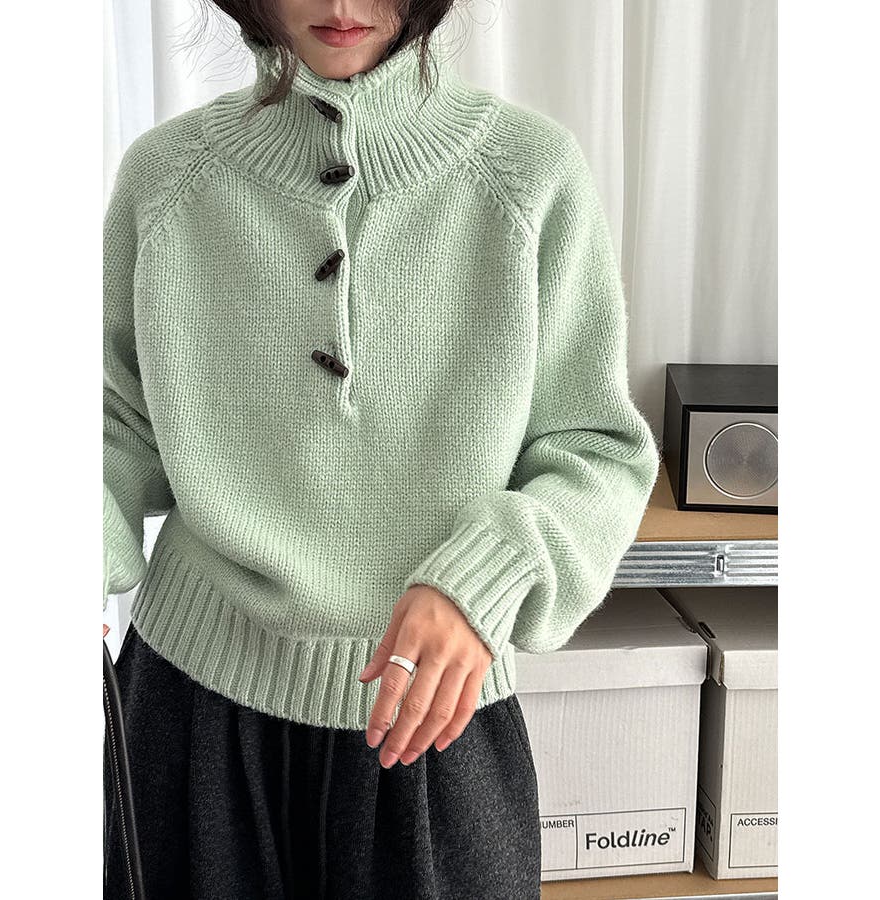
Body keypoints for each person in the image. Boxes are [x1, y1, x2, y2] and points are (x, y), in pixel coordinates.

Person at [102, 1, 661, 898]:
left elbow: (596, 448)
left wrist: (483, 581)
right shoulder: (166, 179)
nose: (341, 4)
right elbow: (113, 426)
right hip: (190, 710)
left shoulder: (529, 174)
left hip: (438, 716)